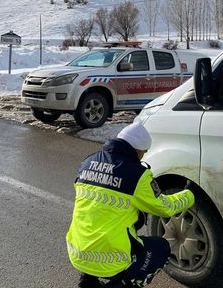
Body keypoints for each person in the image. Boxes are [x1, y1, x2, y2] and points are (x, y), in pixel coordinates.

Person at [66, 123, 195, 288]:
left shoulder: (88, 161)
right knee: (161, 248)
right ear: (137, 150)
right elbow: (164, 208)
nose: (144, 156)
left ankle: (88, 281)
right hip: (112, 259)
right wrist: (189, 195)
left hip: (77, 251)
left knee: (99, 226)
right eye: (144, 152)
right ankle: (124, 284)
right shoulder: (136, 175)